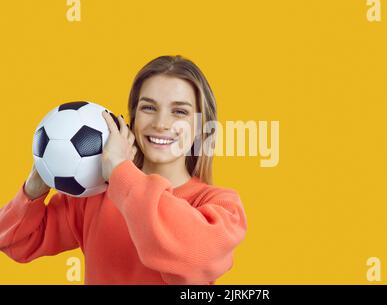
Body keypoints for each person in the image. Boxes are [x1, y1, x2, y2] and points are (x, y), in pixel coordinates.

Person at [0, 55, 248, 284]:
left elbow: (192, 258)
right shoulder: (94, 194)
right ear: (132, 118)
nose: (161, 124)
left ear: (199, 126)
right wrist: (32, 189)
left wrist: (121, 172)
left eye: (179, 112)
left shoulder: (221, 206)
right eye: (148, 107)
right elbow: (16, 243)